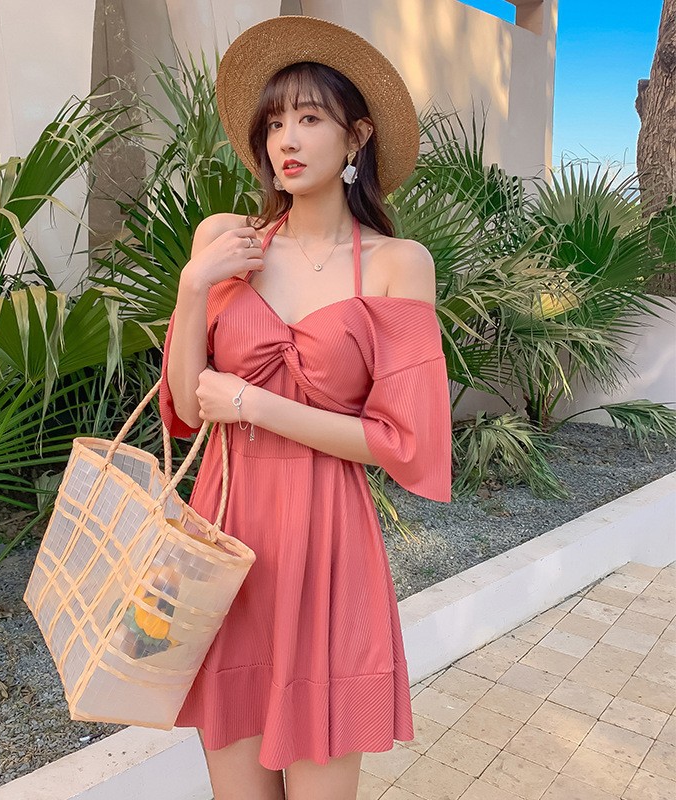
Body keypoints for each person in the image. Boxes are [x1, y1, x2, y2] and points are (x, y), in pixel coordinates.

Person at [158, 15, 452, 800]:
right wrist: (194, 285)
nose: (286, 139)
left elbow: (403, 441)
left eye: (310, 118)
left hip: (328, 541)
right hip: (226, 532)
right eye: (274, 122)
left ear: (357, 137)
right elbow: (186, 404)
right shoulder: (226, 240)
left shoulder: (397, 263)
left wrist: (252, 402)